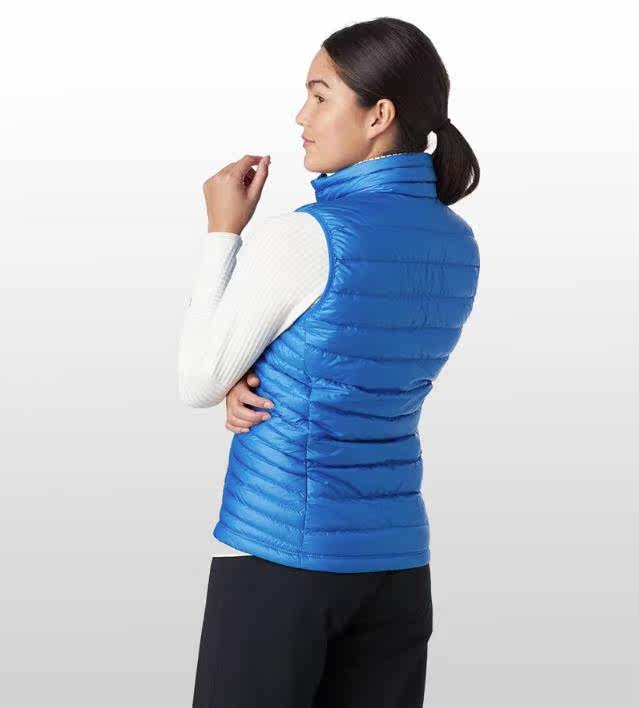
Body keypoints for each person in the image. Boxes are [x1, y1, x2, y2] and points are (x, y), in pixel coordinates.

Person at [178, 16, 480, 708]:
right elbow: (362, 370)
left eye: (320, 96)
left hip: (280, 554)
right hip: (397, 571)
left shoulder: (303, 237)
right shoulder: (456, 243)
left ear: (378, 116)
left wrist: (222, 233)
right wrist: (252, 370)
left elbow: (196, 378)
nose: (300, 116)